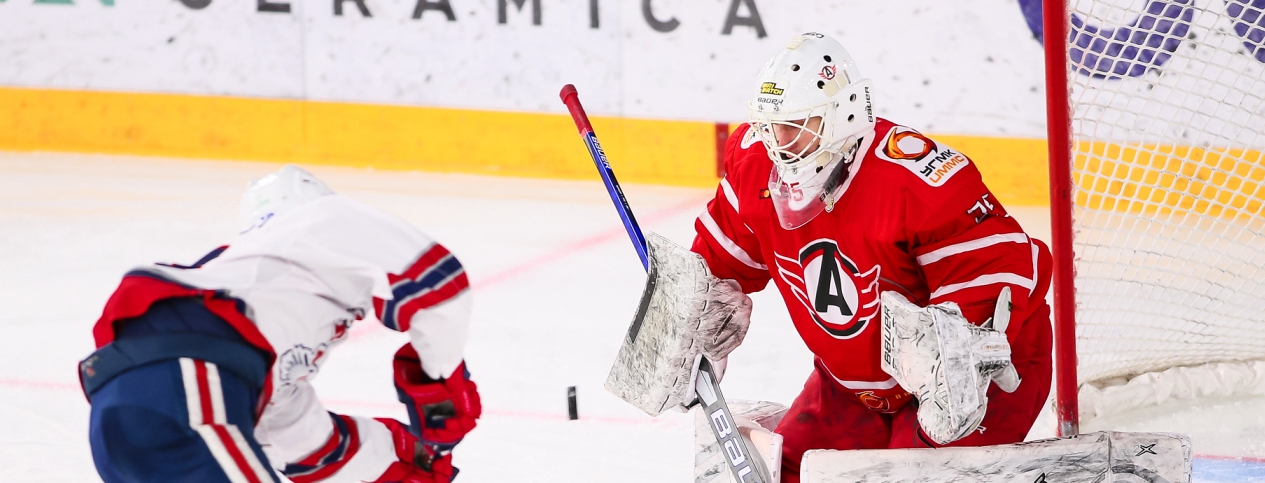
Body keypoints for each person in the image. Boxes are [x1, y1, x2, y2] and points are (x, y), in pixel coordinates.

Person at [689, 33, 1053, 482]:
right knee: (790, 473)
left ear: (843, 115)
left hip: (982, 382)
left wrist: (959, 356)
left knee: (905, 477)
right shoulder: (755, 167)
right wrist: (691, 314)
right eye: (771, 126)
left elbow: (1000, 268)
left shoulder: (913, 178)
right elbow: (721, 260)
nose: (779, 143)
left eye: (796, 125)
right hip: (853, 388)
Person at [79, 165, 480, 483]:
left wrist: (411, 460)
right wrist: (440, 397)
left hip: (130, 416)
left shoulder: (264, 319)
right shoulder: (321, 219)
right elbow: (438, 286)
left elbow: (302, 444)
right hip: (184, 383)